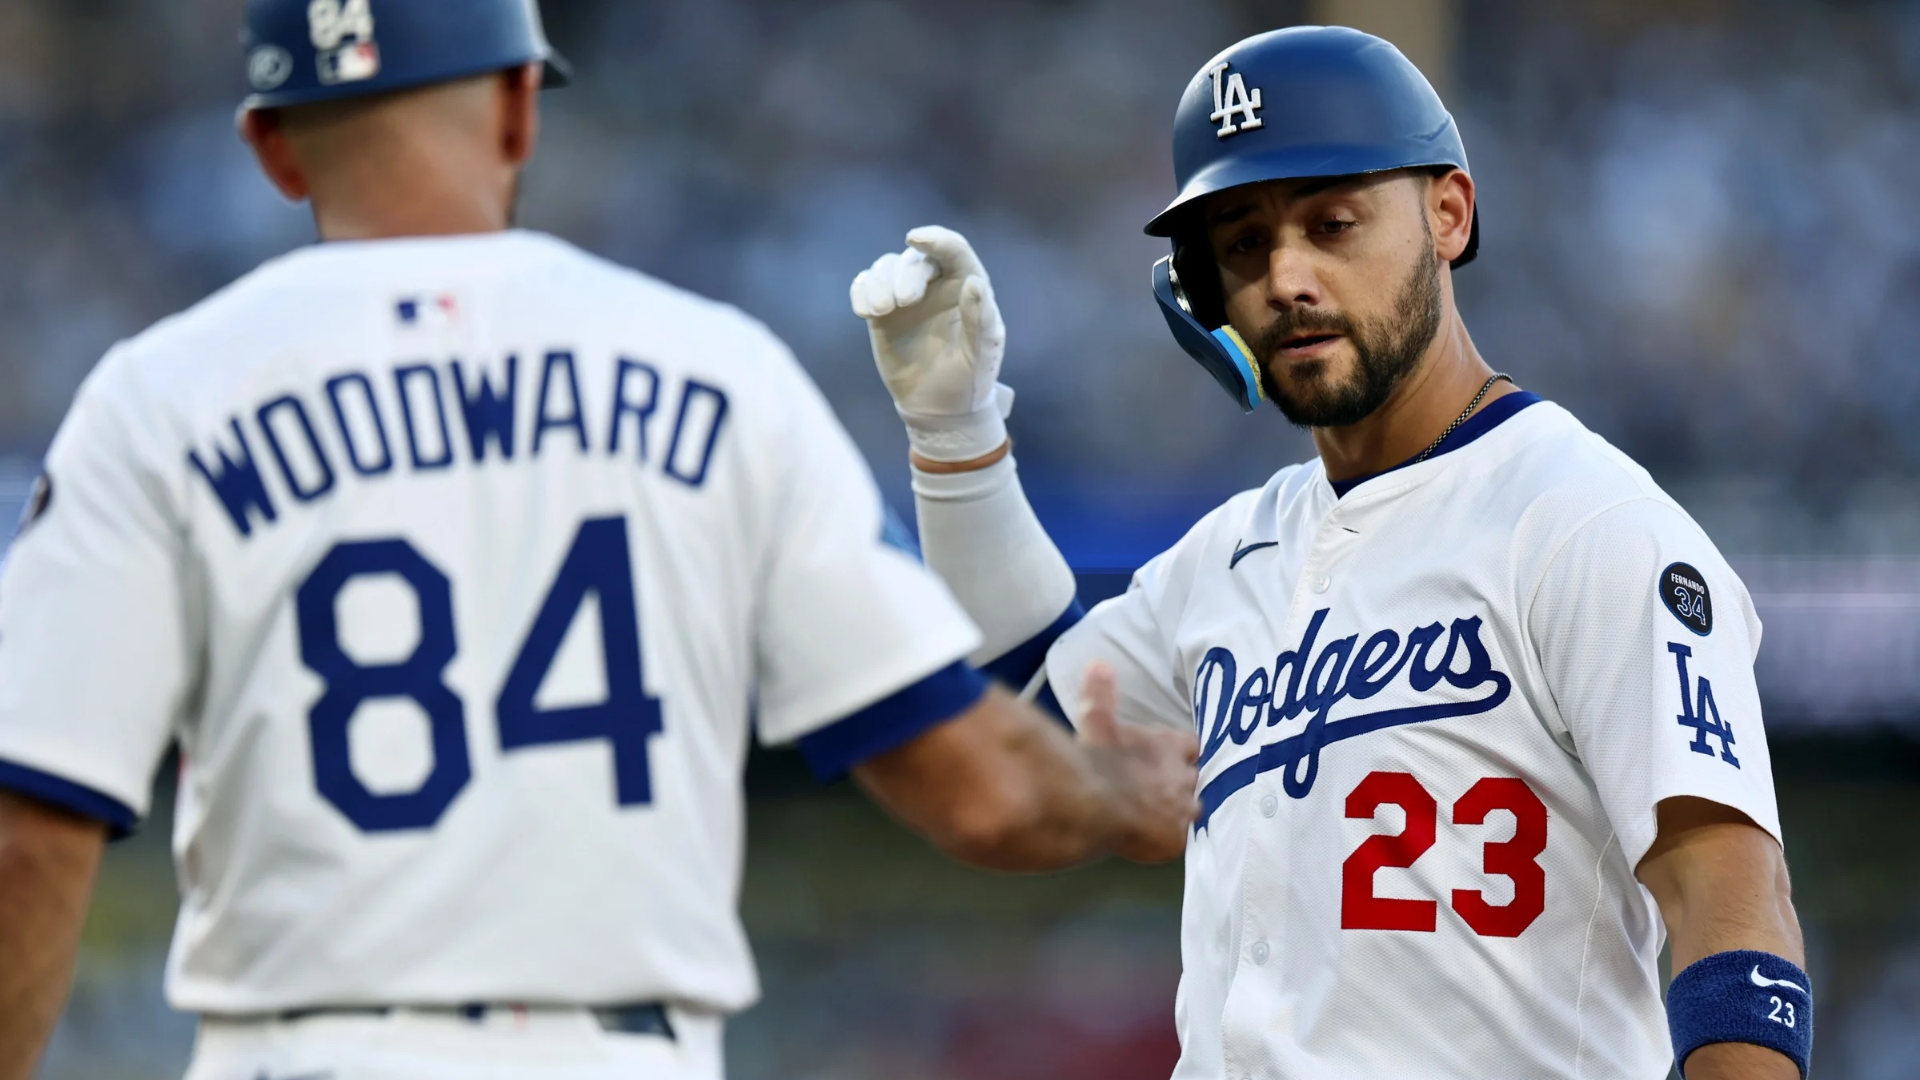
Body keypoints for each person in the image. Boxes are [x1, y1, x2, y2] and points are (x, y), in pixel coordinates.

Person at [0, 3, 1200, 1079]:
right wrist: (1118, 793)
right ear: (520, 109)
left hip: (302, 1048)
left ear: (268, 146)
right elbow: (981, 795)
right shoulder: (711, 370)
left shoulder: (159, 397)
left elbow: (31, 836)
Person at [851, 25, 1809, 1080]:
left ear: (1449, 213)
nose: (1287, 278)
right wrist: (958, 442)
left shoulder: (1584, 521)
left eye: (1334, 223)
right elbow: (1032, 726)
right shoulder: (1228, 556)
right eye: (1243, 244)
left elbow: (1729, 896)